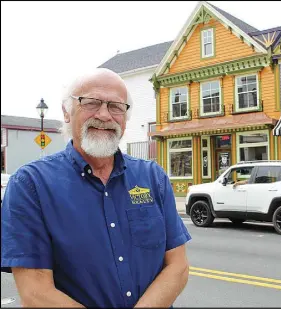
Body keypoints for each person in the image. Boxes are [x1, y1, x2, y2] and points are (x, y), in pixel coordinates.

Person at [1, 68, 192, 308]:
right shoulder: (30, 185)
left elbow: (178, 266)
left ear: (125, 115)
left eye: (115, 106)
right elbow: (35, 291)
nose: (104, 115)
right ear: (67, 112)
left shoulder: (153, 177)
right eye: (91, 103)